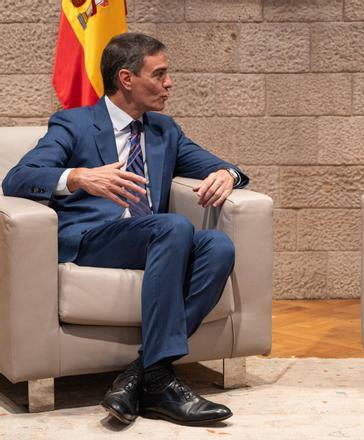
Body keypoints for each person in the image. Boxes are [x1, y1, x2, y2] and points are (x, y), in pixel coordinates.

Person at [2, 32, 247, 426]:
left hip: (155, 237)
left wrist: (226, 174)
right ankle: (160, 383)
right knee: (173, 228)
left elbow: (222, 164)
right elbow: (17, 178)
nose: (170, 84)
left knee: (218, 246)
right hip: (93, 239)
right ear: (127, 78)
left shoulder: (164, 130)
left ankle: (144, 376)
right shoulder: (74, 123)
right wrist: (79, 177)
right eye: (161, 74)